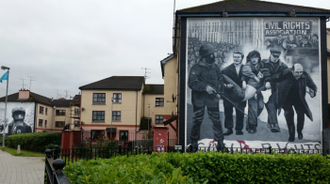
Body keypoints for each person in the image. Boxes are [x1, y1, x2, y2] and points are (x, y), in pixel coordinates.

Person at [188, 43, 226, 152]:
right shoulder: (196, 68)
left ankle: (220, 143)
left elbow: (220, 80)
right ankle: (194, 143)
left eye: (213, 54)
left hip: (212, 99)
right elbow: (192, 83)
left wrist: (219, 92)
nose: (213, 56)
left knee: (216, 121)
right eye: (211, 54)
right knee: (197, 120)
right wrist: (205, 87)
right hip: (199, 99)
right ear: (204, 56)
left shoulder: (215, 68)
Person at [277, 63, 317, 142]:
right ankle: (291, 135)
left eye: (301, 72)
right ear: (292, 71)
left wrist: (313, 92)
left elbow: (313, 86)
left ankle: (299, 131)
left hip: (298, 98)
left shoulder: (305, 76)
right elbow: (276, 82)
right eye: (297, 72)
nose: (299, 74)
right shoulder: (285, 74)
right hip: (286, 99)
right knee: (289, 115)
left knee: (301, 115)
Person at [262, 47, 288, 132]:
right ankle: (274, 124)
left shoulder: (283, 66)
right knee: (270, 105)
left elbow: (287, 77)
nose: (276, 58)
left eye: (277, 57)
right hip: (264, 87)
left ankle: (271, 123)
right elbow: (265, 73)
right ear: (270, 54)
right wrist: (267, 81)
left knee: (273, 106)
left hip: (277, 89)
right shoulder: (263, 62)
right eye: (274, 56)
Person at [221, 51, 246, 136]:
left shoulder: (246, 69)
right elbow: (220, 82)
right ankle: (229, 129)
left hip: (241, 94)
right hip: (229, 93)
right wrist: (226, 85)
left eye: (238, 57)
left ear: (242, 58)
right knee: (228, 111)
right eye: (235, 57)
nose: (236, 59)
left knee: (240, 111)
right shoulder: (226, 70)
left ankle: (239, 129)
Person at [241, 50, 266, 134]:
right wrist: (246, 81)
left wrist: (262, 77)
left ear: (259, 58)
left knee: (261, 106)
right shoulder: (248, 65)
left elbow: (266, 74)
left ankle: (251, 119)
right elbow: (244, 73)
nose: (254, 59)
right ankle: (252, 126)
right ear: (250, 58)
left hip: (260, 89)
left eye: (256, 57)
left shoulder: (262, 64)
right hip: (251, 88)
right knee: (253, 107)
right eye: (252, 57)